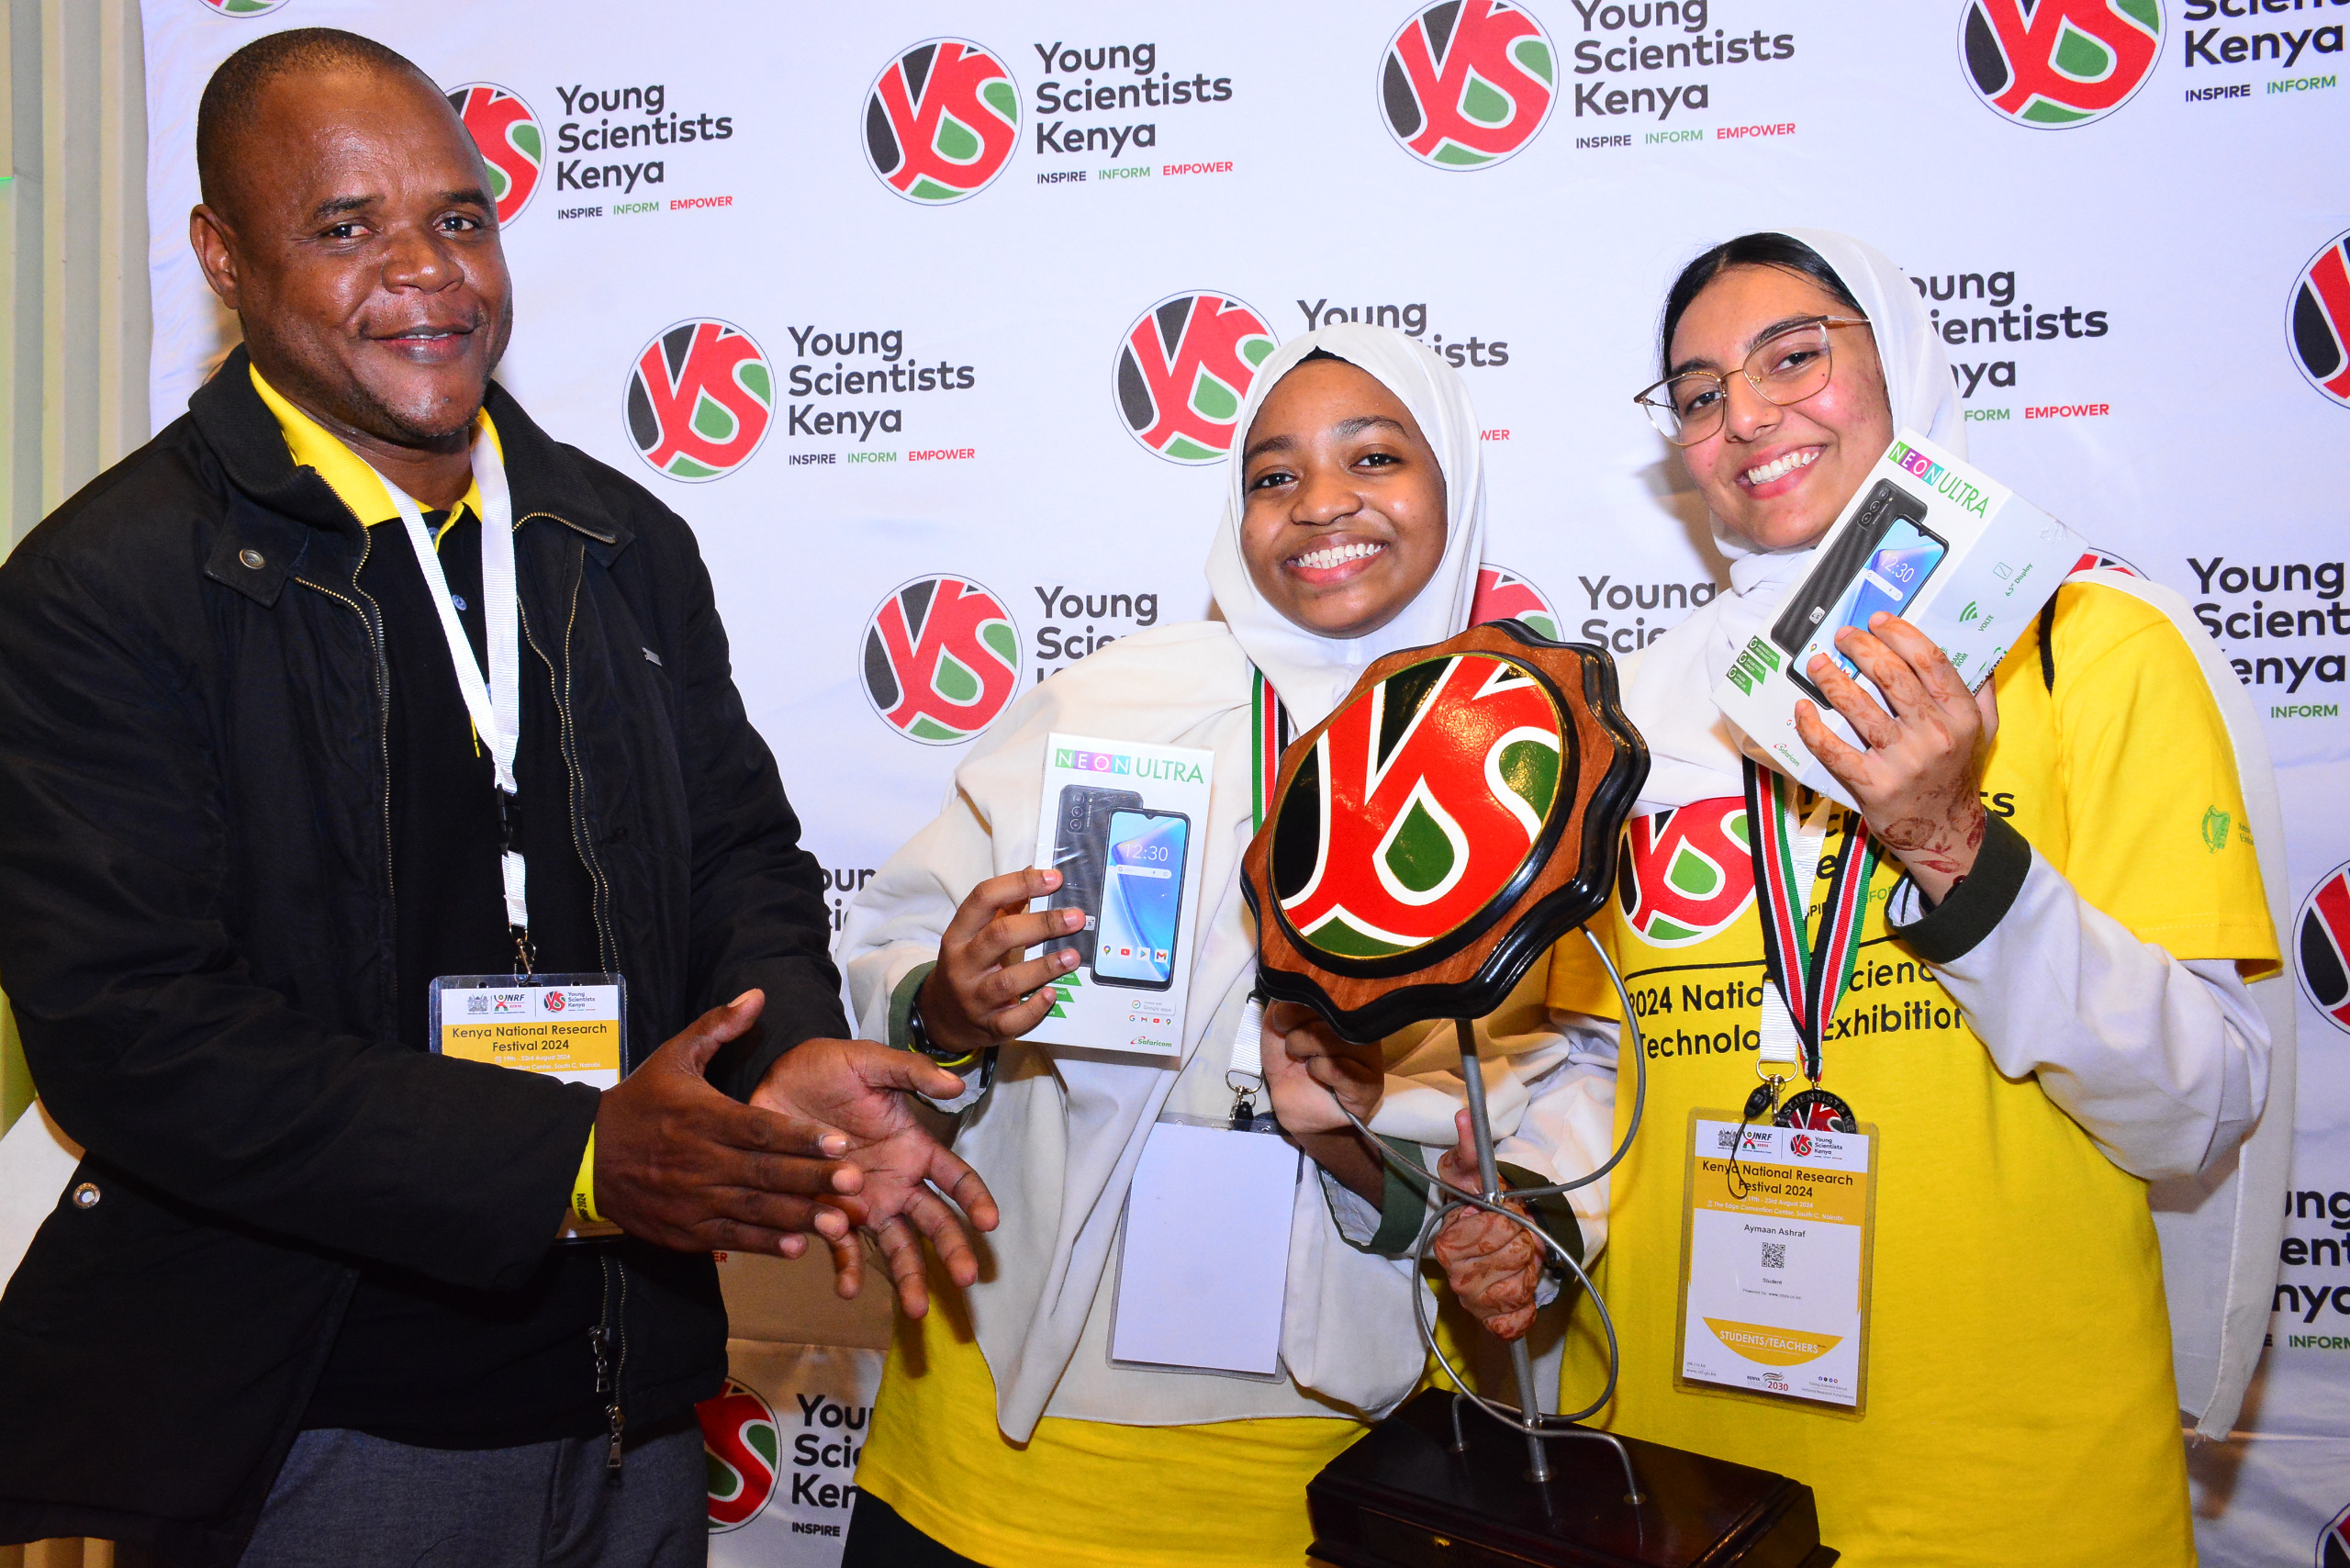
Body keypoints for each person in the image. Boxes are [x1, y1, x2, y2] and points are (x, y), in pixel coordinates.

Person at [0, 29, 990, 1568]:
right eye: (346, 227)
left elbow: (738, 854)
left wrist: (786, 1049)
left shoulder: (616, 541)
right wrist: (576, 1160)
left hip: (634, 1408)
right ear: (221, 254)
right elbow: (136, 1033)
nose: (428, 273)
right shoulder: (107, 585)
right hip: (315, 1427)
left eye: (459, 217)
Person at [1442, 230, 2291, 1565]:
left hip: (2019, 1480)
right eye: (1701, 390)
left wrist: (1950, 843)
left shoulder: (2089, 646)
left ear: (1896, 360)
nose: (1749, 414)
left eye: (1795, 356)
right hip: (1700, 1484)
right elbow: (1603, 1070)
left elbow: (2202, 1106)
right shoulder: (1630, 711)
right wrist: (1537, 1208)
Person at [834, 323, 1613, 1568]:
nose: (1323, 504)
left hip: (1314, 1469)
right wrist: (953, 1011)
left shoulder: (1524, 764)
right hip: (994, 1457)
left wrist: (1364, 1144)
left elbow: (1563, 1102)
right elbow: (893, 958)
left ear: (1453, 487)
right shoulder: (1109, 705)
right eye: (1274, 474)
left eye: (1375, 457)